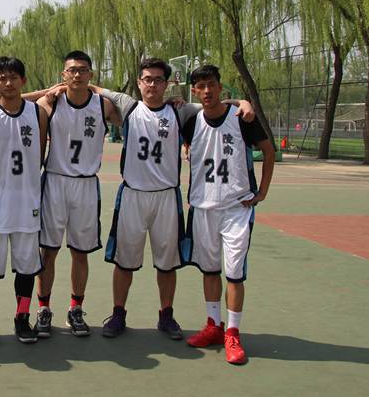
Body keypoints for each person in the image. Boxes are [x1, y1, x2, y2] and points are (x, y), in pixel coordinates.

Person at [95, 59, 254, 340]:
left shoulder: (181, 111)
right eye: (147, 79)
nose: (152, 84)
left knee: (167, 262)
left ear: (167, 84)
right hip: (133, 195)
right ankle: (118, 313)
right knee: (124, 260)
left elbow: (216, 104)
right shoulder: (128, 106)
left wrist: (243, 102)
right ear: (139, 83)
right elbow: (93, 88)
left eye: (158, 79)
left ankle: (166, 315)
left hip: (167, 197)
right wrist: (58, 89)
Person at [181, 64, 274, 365]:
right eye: (201, 86)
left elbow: (269, 151)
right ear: (194, 91)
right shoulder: (191, 121)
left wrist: (262, 191)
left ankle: (232, 333)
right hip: (203, 207)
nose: (207, 90)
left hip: (237, 208)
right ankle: (213, 325)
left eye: (212, 84)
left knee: (234, 273)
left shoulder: (241, 118)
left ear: (221, 87)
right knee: (209, 270)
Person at [33, 50, 120, 338]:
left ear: (91, 75)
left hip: (85, 185)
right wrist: (47, 91)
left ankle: (76, 308)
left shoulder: (103, 105)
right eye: (72, 70)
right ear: (63, 75)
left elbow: (136, 110)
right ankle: (43, 309)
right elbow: (14, 101)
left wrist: (99, 89)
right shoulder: (51, 102)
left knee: (80, 252)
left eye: (83, 70)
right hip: (55, 182)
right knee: (49, 251)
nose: (77, 75)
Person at [0, 56, 48, 345]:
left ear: (23, 81)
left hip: (27, 202)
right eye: (2, 78)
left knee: (27, 265)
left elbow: (39, 155)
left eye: (13, 77)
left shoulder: (38, 113)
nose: (8, 83)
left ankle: (22, 317)